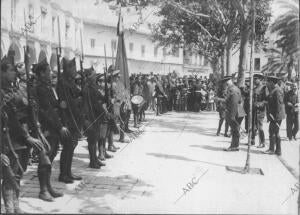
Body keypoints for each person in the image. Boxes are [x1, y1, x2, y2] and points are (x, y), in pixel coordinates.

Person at [1, 55, 43, 213]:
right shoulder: (2, 92)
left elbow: (23, 111)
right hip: (9, 138)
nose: (14, 73)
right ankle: (9, 209)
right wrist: (27, 137)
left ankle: (16, 206)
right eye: (11, 70)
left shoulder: (14, 89)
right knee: (9, 175)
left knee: (18, 173)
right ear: (3, 72)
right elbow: (11, 119)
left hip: (21, 136)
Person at [33, 59, 65, 201]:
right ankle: (43, 190)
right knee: (44, 160)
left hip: (52, 126)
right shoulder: (39, 87)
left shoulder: (47, 86)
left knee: (50, 158)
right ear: (41, 73)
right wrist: (57, 126)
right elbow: (45, 110)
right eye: (48, 71)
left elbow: (53, 105)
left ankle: (48, 186)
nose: (50, 73)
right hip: (46, 127)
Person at [56, 58, 83, 183]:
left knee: (71, 146)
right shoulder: (62, 82)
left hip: (74, 117)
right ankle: (63, 174)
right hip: (67, 118)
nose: (75, 71)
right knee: (67, 147)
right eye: (73, 68)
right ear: (67, 69)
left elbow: (78, 92)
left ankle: (68, 172)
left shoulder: (69, 81)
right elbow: (65, 101)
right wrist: (76, 101)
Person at [223, 76, 246, 151]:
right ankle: (235, 146)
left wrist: (232, 115)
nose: (225, 85)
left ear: (228, 82)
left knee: (234, 129)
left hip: (236, 112)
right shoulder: (234, 88)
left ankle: (234, 146)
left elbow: (234, 103)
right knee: (235, 129)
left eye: (226, 83)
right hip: (238, 111)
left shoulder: (233, 90)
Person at [264, 76, 286, 156]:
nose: (267, 83)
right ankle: (277, 150)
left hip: (276, 116)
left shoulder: (277, 91)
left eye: (268, 82)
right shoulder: (273, 90)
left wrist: (275, 118)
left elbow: (278, 105)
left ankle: (272, 149)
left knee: (273, 132)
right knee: (274, 132)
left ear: (272, 82)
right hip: (274, 115)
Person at [251, 73, 268, 148]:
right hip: (254, 110)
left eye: (256, 79)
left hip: (260, 111)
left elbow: (267, 100)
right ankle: (252, 140)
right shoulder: (254, 89)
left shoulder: (264, 88)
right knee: (253, 126)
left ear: (260, 79)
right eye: (254, 79)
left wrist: (260, 104)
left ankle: (262, 142)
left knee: (260, 127)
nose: (254, 81)